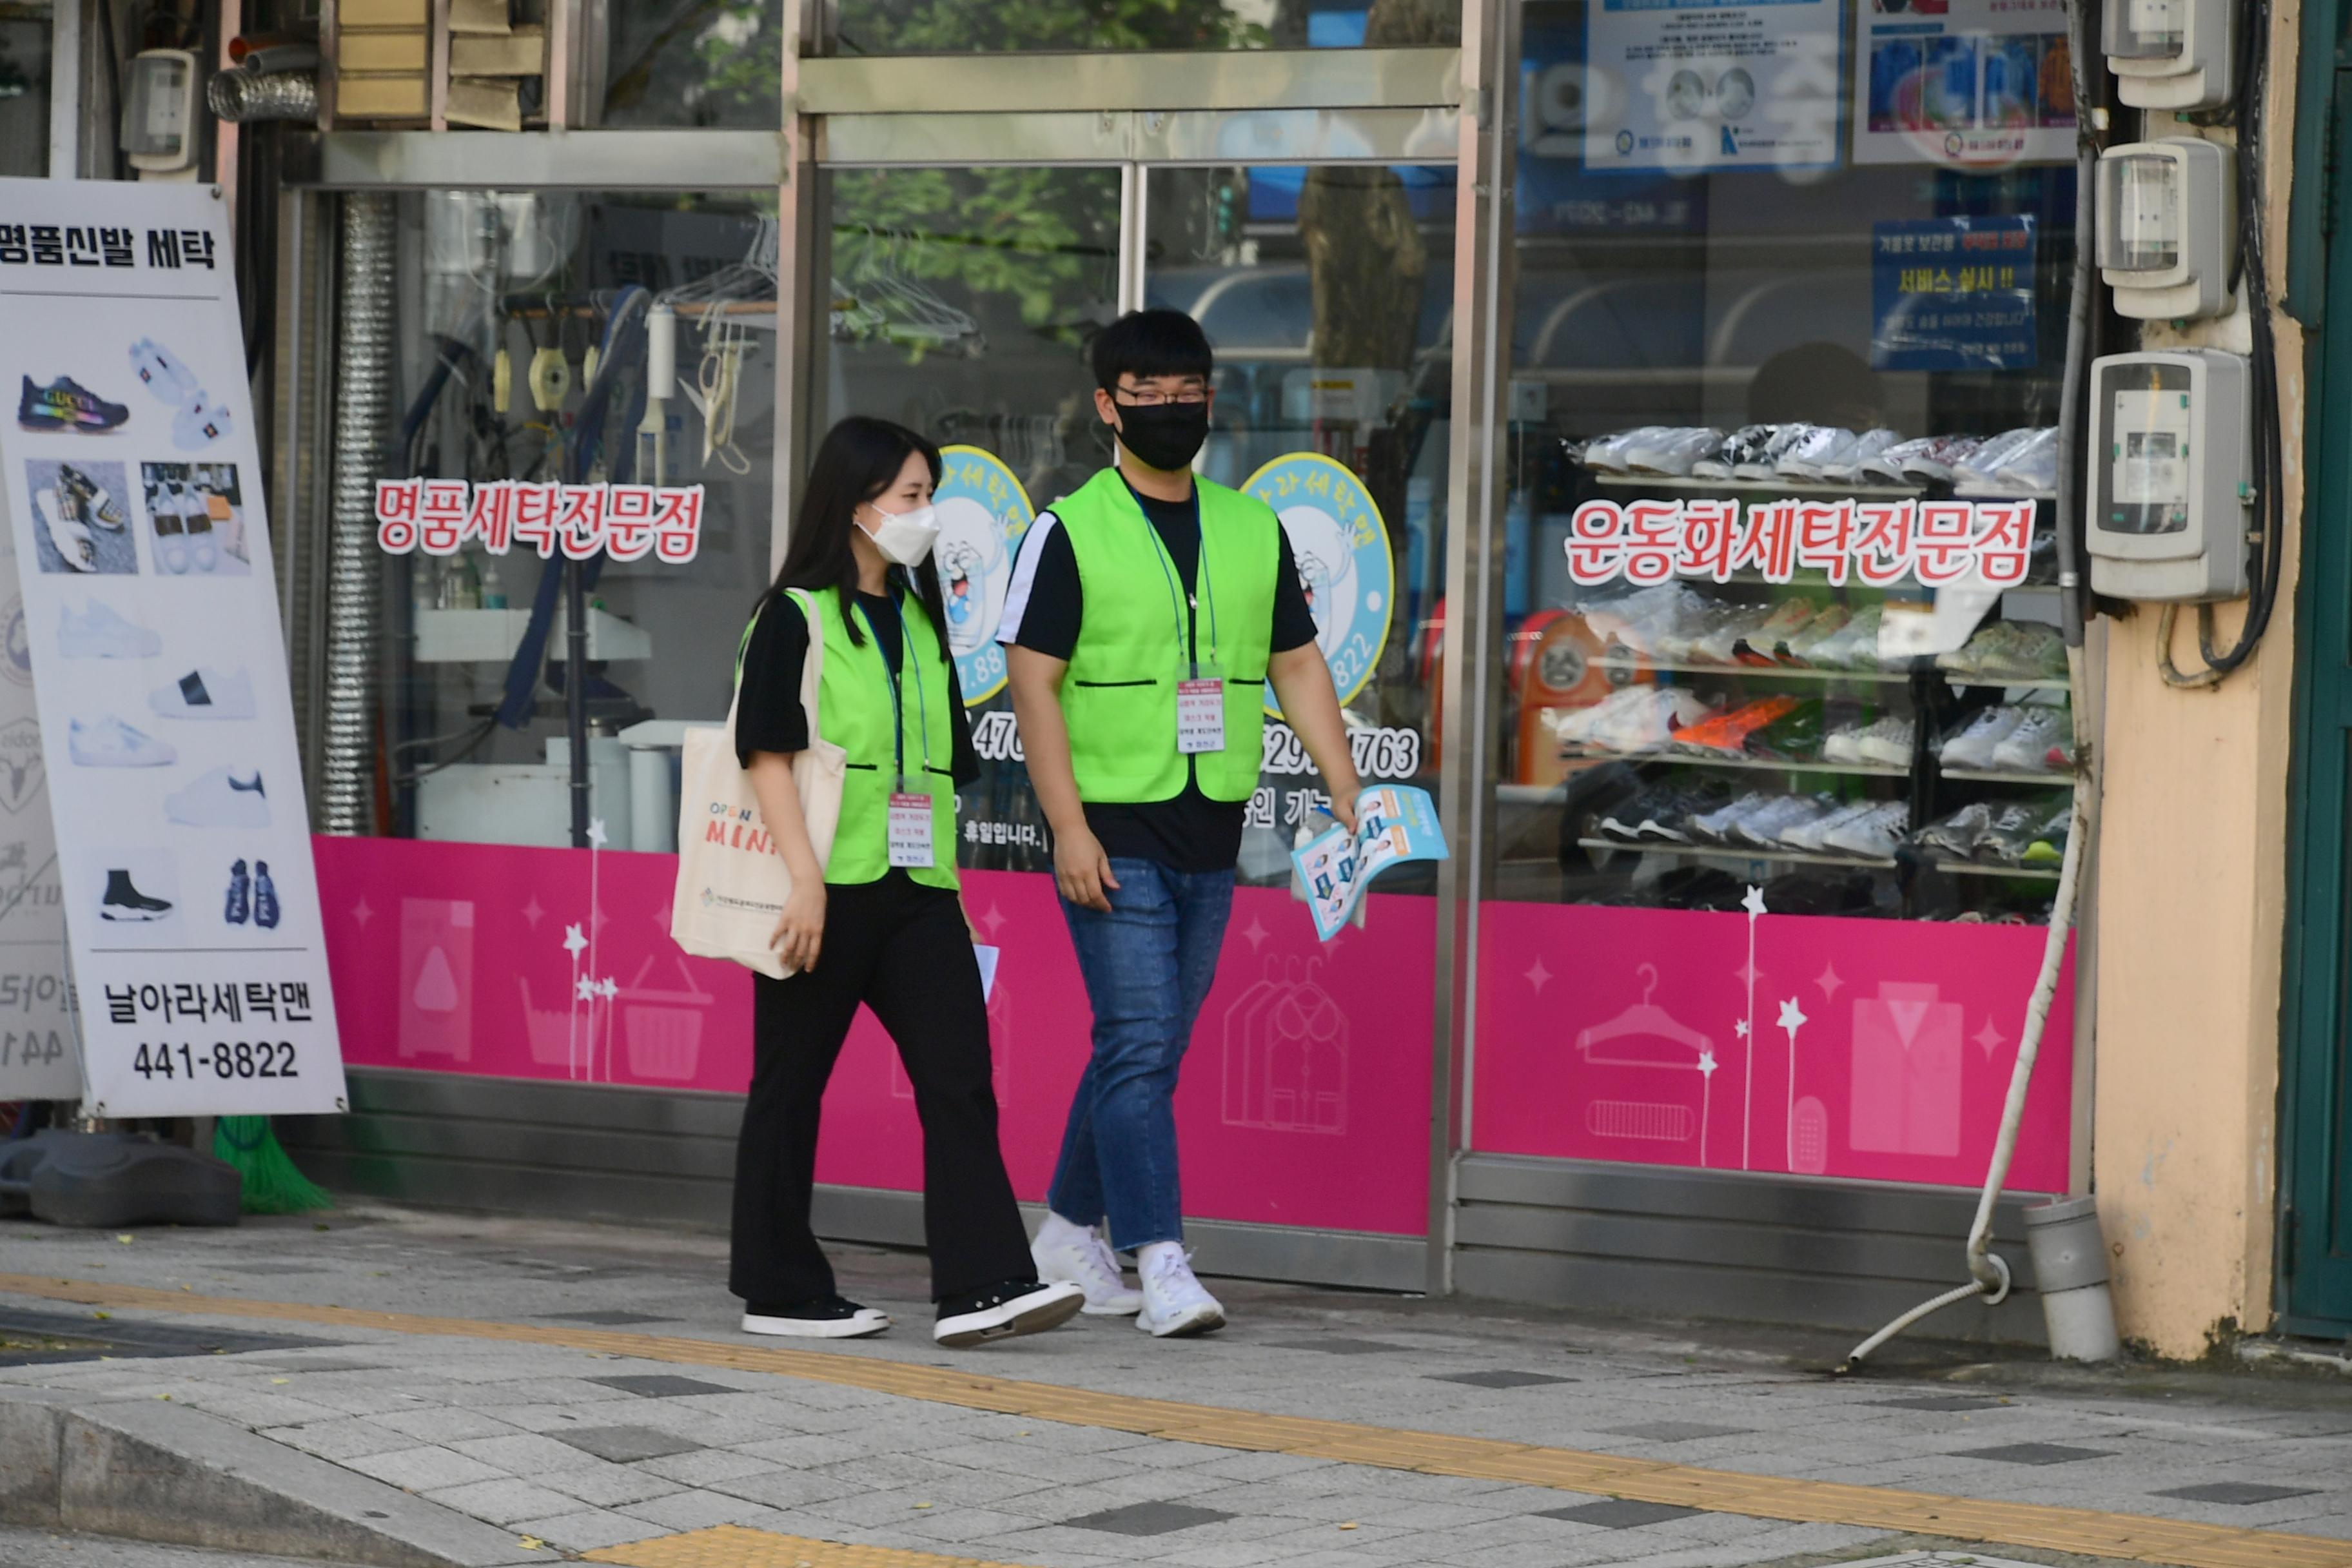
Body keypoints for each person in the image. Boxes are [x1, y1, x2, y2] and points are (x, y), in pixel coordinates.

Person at [1002, 309, 1365, 1337]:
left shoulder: (1255, 529)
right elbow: (1033, 687)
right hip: (1110, 826)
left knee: (1145, 1048)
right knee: (1141, 1037)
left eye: (1188, 391)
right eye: (1147, 393)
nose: (1172, 409)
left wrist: (1343, 782)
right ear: (1107, 406)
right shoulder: (1068, 530)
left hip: (1212, 823)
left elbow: (1295, 662)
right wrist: (1065, 826)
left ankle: (1069, 1229)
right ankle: (1159, 1260)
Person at [729, 415, 1084, 1349]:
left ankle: (984, 1283)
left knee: (959, 1080)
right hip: (825, 889)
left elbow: (932, 772)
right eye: (913, 497)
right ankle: (780, 1288)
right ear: (857, 507)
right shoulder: (793, 616)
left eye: (929, 495)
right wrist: (804, 882)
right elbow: (767, 755)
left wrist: (957, 905)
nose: (928, 514)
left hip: (918, 890)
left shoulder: (922, 621)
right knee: (789, 1087)